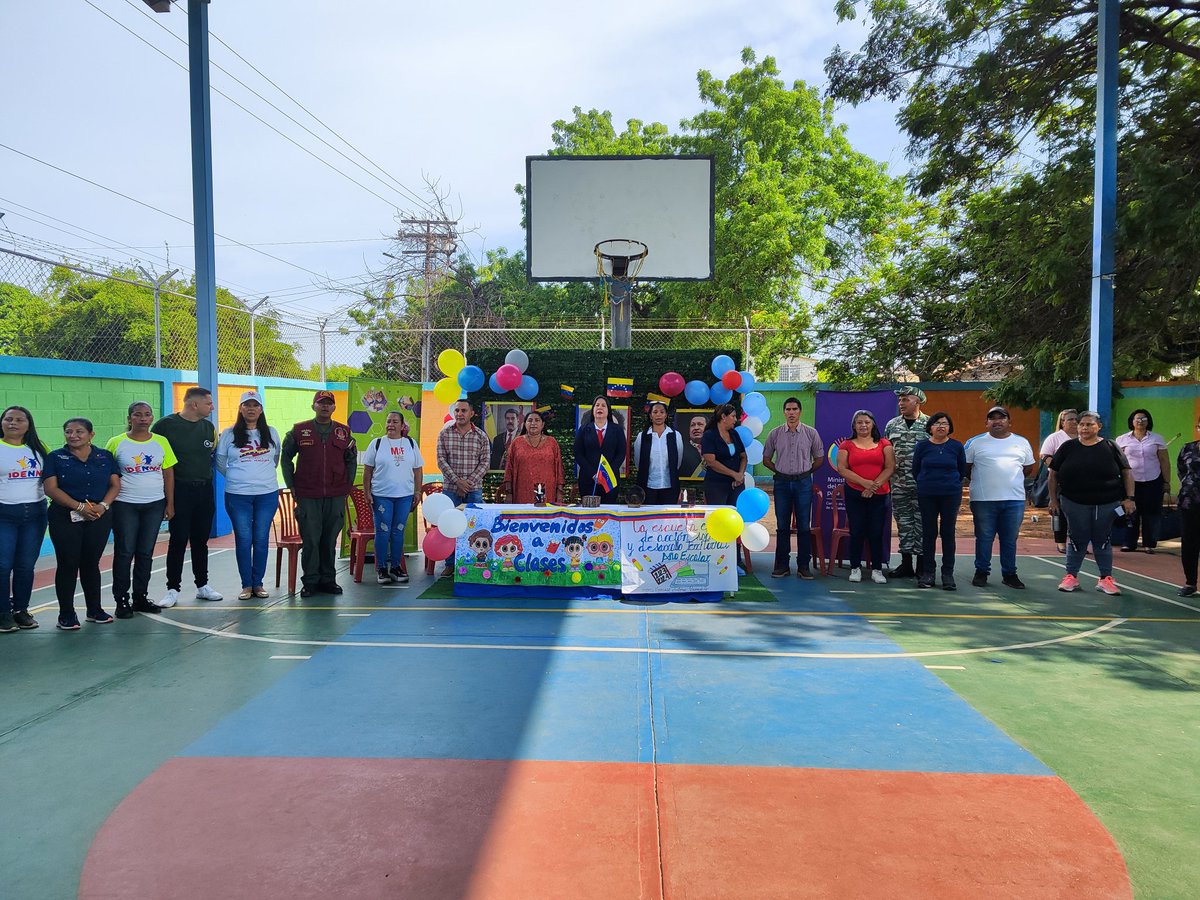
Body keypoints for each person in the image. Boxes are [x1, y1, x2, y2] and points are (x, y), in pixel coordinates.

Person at [41, 418, 121, 629]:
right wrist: (79, 507)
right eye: (68, 431)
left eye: (79, 431)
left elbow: (115, 484)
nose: (73, 435)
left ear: (91, 435)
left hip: (98, 517)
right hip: (64, 517)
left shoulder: (105, 456)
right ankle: (66, 614)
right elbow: (51, 488)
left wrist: (103, 506)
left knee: (91, 563)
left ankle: (94, 610)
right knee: (68, 564)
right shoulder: (55, 457)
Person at [1048, 411, 1135, 595]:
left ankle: (1105, 579)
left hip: (1107, 502)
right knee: (1076, 538)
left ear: (1099, 426)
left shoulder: (1110, 446)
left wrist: (1129, 498)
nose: (1085, 428)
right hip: (1073, 501)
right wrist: (1053, 500)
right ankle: (1071, 577)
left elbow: (1126, 472)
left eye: (1089, 424)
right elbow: (1053, 474)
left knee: (1102, 540)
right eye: (1082, 424)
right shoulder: (1068, 447)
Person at [280, 390, 357, 597]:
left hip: (335, 495)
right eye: (320, 403)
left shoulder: (344, 432)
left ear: (334, 407)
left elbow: (351, 459)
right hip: (308, 495)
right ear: (313, 406)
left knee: (330, 539)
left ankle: (328, 580)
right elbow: (285, 458)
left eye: (329, 403)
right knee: (311, 540)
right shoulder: (299, 431)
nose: (325, 406)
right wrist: (292, 485)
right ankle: (310, 581)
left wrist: (346, 487)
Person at [152, 386, 222, 606]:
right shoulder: (165, 426)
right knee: (178, 539)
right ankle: (172, 589)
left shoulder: (208, 427)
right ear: (194, 404)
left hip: (204, 491)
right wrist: (167, 497)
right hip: (179, 491)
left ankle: (202, 585)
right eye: (208, 403)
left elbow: (211, 455)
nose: (212, 407)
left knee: (201, 540)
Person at [106, 402, 176, 618]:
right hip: (125, 504)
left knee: (145, 552)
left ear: (152, 418)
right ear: (130, 418)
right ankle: (121, 599)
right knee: (125, 551)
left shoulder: (161, 442)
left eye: (147, 415)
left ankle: (140, 597)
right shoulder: (116, 442)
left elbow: (168, 473)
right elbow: (108, 474)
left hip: (154, 504)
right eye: (138, 415)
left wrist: (169, 503)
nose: (143, 418)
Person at [215, 391, 281, 600]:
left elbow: (275, 459)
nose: (251, 409)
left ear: (261, 409)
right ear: (241, 409)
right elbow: (220, 462)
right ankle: (246, 585)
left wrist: (260, 478)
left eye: (255, 405)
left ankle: (258, 584)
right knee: (244, 539)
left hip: (266, 494)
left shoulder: (271, 433)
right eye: (247, 405)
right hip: (237, 495)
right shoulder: (229, 434)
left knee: (261, 538)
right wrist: (236, 477)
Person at [965, 406, 1036, 588]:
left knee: (1009, 539)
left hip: (1014, 500)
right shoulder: (975, 443)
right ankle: (981, 572)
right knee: (984, 538)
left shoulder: (1022, 442)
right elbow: (966, 468)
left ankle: (1010, 574)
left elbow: (1028, 468)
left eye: (1001, 418)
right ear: (986, 423)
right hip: (983, 500)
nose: (997, 421)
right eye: (992, 418)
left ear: (1009, 422)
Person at [761, 397, 823, 579]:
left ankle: (804, 566)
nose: (791, 412)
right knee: (782, 526)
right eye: (788, 409)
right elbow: (766, 458)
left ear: (800, 411)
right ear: (784, 412)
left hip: (804, 483)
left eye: (795, 409)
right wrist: (779, 470)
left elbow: (819, 458)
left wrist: (805, 472)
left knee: (804, 525)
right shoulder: (775, 433)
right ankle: (782, 565)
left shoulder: (811, 433)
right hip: (781, 483)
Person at [0, 406, 49, 633]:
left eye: (19, 420)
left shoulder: (38, 450)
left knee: (25, 566)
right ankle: (3, 613)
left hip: (35, 515)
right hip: (4, 514)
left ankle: (21, 610)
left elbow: (50, 481)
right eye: (8, 419)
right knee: (2, 565)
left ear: (28, 424)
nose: (13, 423)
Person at [363, 410, 423, 585]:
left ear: (402, 425)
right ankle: (381, 568)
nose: (391, 424)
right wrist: (367, 493)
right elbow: (368, 470)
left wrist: (417, 491)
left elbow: (418, 469)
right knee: (383, 531)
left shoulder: (411, 443)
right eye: (388, 421)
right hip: (382, 496)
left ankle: (396, 567)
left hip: (404, 496)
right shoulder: (377, 443)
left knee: (398, 532)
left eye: (395, 422)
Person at [836, 410, 895, 584]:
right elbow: (842, 469)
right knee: (857, 531)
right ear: (854, 426)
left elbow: (890, 467)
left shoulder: (885, 443)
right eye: (859, 422)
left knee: (876, 532)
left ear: (873, 424)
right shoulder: (846, 445)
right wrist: (865, 483)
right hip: (855, 493)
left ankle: (877, 569)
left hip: (880, 495)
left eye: (867, 422)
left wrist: (874, 486)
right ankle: (855, 568)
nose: (863, 425)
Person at [911, 412, 967, 590]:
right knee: (929, 533)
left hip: (950, 494)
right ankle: (928, 573)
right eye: (936, 423)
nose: (941, 426)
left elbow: (961, 470)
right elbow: (916, 470)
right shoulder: (922, 446)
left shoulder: (957, 446)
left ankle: (947, 574)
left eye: (944, 423)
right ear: (930, 428)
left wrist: (950, 485)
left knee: (948, 533)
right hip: (927, 494)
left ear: (950, 427)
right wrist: (925, 483)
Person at [435, 399, 490, 575]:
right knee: (449, 527)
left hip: (474, 490)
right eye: (457, 410)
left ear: (471, 414)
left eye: (463, 410)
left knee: (474, 527)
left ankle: (474, 561)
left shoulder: (481, 436)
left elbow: (485, 463)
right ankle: (450, 564)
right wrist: (457, 481)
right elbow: (441, 460)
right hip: (450, 489)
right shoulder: (444, 434)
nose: (459, 414)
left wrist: (467, 484)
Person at [884, 386, 930, 578]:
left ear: (917, 401)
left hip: (924, 485)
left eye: (905, 399)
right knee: (903, 523)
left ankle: (921, 566)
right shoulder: (892, 425)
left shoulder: (930, 424)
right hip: (899, 484)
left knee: (922, 524)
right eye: (900, 400)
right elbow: (886, 453)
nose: (901, 403)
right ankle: (906, 564)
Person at [1115, 408, 1171, 554]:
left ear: (1148, 422)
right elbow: (1117, 461)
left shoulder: (1157, 438)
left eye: (1144, 419)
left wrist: (1166, 481)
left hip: (1153, 480)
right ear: (1132, 422)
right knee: (1130, 512)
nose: (1140, 421)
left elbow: (1164, 461)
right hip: (1130, 482)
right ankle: (1129, 543)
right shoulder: (1122, 439)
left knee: (1151, 513)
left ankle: (1149, 544)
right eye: (1137, 419)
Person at [503, 410, 565, 504]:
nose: (533, 423)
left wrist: (560, 492)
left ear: (543, 424)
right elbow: (509, 469)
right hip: (522, 490)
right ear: (525, 424)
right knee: (524, 517)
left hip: (548, 490)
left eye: (537, 420)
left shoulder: (552, 442)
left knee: (545, 516)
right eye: (530, 420)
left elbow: (559, 468)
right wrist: (509, 493)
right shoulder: (517, 442)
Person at [1039, 409, 1079, 553]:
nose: (1074, 422)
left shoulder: (1084, 436)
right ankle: (1061, 542)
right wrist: (1059, 468)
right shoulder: (1055, 437)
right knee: (1060, 512)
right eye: (1070, 419)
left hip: (1081, 482)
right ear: (1062, 422)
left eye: (1076, 419)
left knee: (1079, 514)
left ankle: (1077, 543)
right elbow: (1044, 456)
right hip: (1059, 481)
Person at [573, 396, 627, 503]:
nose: (600, 408)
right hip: (588, 479)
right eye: (597, 405)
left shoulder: (617, 430)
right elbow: (578, 453)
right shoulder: (584, 429)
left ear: (608, 410)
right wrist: (593, 473)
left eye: (603, 405)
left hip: (609, 480)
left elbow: (621, 453)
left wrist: (607, 473)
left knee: (607, 513)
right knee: (590, 514)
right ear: (593, 410)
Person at [632, 401, 685, 505]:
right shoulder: (642, 436)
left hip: (670, 486)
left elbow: (678, 461)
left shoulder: (675, 435)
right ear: (650, 416)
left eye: (662, 412)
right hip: (647, 486)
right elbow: (638, 462)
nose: (658, 415)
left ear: (666, 415)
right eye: (655, 412)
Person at [700, 403, 747, 508]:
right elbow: (711, 461)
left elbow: (743, 456)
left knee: (736, 513)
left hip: (736, 484)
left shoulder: (734, 434)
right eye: (733, 416)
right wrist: (733, 474)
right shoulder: (709, 435)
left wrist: (740, 474)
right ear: (723, 417)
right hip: (716, 484)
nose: (735, 420)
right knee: (719, 514)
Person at [1175, 416, 1200, 597]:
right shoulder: (1188, 448)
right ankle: (1190, 582)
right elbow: (1181, 470)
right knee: (1189, 543)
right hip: (1189, 502)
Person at [679, 414, 708, 479]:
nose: (696, 428)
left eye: (700, 424)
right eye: (692, 425)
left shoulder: (716, 448)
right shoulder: (680, 448)